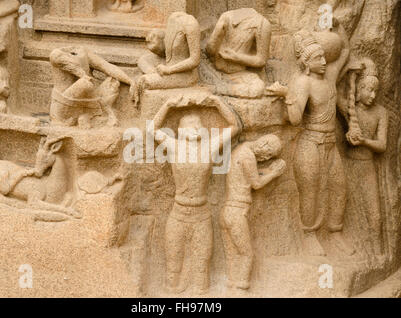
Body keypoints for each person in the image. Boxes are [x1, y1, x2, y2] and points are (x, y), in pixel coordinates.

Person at [266, 21, 354, 256]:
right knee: (310, 189)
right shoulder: (303, 83)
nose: (324, 62)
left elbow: (345, 51)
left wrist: (339, 26)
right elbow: (295, 120)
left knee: (338, 187)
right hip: (310, 143)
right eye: (318, 59)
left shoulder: (330, 76)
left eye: (324, 58)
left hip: (330, 144)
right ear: (306, 63)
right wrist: (288, 95)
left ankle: (335, 233)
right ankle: (309, 235)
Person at [149, 94, 241, 294]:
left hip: (201, 214)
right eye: (190, 125)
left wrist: (218, 103)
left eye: (198, 124)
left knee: (202, 270)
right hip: (178, 213)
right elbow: (152, 130)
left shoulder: (209, 146)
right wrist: (167, 104)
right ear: (180, 131)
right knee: (173, 267)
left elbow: (235, 126)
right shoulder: (174, 146)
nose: (196, 127)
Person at [221, 135, 286, 290]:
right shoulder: (248, 156)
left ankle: (232, 284)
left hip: (227, 212)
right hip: (237, 212)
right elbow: (256, 183)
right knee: (246, 254)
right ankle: (242, 288)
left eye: (270, 156)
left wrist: (269, 170)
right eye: (269, 153)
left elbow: (250, 174)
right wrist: (274, 173)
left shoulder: (240, 150)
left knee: (232, 254)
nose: (266, 157)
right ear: (264, 144)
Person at [338, 58, 388, 255]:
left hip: (367, 166)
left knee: (374, 214)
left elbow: (382, 145)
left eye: (375, 90)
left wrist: (364, 141)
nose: (373, 95)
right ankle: (356, 251)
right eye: (368, 89)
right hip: (348, 166)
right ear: (359, 89)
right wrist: (349, 75)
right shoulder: (350, 109)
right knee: (348, 212)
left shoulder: (380, 112)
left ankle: (377, 253)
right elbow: (331, 92)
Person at [49, 46, 138, 128]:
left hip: (87, 103)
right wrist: (84, 72)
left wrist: (130, 81)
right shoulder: (56, 55)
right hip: (63, 108)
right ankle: (94, 114)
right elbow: (77, 70)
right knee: (86, 84)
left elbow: (106, 66)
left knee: (113, 81)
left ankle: (92, 115)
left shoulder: (83, 52)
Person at [137, 12, 200, 95]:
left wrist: (169, 70)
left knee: (145, 81)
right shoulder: (173, 18)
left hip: (184, 74)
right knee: (142, 60)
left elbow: (194, 60)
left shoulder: (191, 24)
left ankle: (154, 76)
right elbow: (167, 50)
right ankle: (153, 73)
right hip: (167, 64)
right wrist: (157, 40)